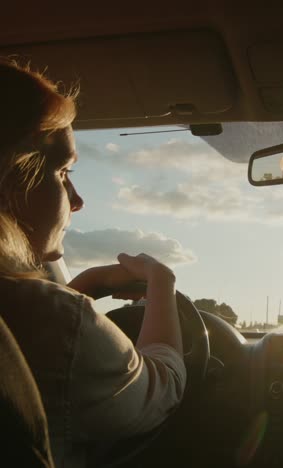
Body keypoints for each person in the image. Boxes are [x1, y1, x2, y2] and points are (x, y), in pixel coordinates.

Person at [0, 60, 186, 467]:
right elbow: (163, 388)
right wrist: (161, 281)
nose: (78, 200)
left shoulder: (39, 313)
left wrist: (80, 287)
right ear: (12, 179)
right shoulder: (57, 321)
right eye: (64, 172)